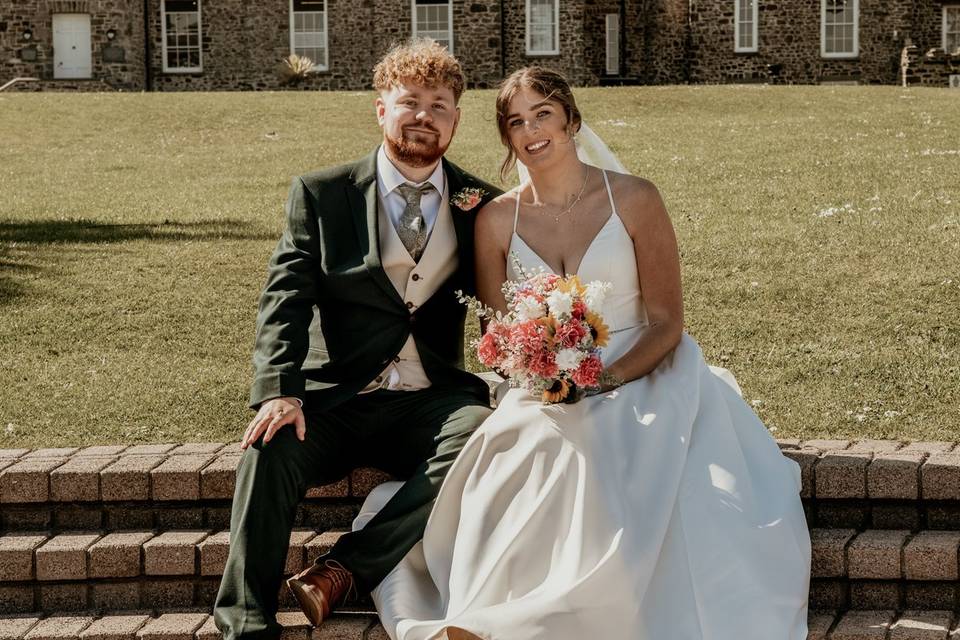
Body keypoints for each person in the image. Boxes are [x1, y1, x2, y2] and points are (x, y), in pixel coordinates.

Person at [357, 67, 812, 640]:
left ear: (570, 118)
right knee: (532, 447)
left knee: (621, 449)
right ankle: (500, 613)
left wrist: (605, 378)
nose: (530, 130)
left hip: (645, 370)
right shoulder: (498, 220)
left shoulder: (636, 199)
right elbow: (495, 337)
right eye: (515, 122)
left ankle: (568, 614)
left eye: (542, 114)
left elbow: (669, 322)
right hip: (543, 385)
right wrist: (531, 361)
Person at [212, 39, 503, 640]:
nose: (424, 115)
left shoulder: (482, 204)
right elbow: (284, 301)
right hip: (335, 398)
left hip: (429, 399)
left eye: (440, 105)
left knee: (480, 431)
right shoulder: (323, 194)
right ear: (381, 109)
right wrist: (279, 390)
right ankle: (244, 620)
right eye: (410, 101)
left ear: (456, 118)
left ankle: (344, 569)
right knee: (266, 452)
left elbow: (501, 309)